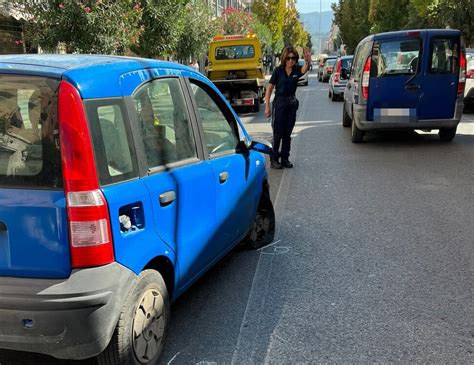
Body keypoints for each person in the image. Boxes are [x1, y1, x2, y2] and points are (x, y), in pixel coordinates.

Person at [264, 46, 311, 169]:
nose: (291, 61)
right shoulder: (278, 71)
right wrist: (267, 107)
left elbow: (305, 69)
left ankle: (285, 158)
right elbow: (269, 89)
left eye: (293, 58)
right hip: (279, 104)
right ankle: (274, 159)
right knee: (277, 133)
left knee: (287, 133)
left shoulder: (296, 70)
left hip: (291, 104)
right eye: (288, 58)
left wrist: (308, 60)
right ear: (284, 58)